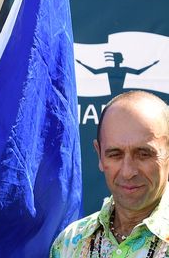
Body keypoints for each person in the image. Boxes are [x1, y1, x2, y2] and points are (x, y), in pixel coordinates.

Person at [50, 90, 169, 257]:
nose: (128, 172)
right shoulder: (70, 243)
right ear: (99, 155)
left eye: (143, 154)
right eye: (115, 155)